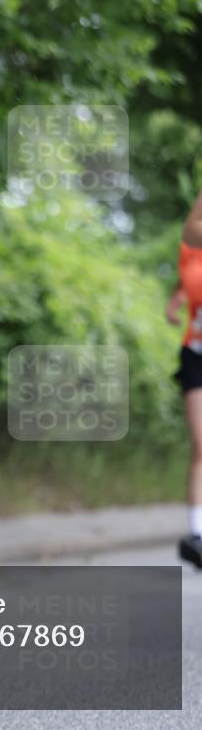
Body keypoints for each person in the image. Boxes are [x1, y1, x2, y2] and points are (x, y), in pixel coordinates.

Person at [166, 191, 202, 569]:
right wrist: (178, 298)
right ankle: (197, 535)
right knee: (201, 444)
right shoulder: (193, 250)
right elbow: (192, 283)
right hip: (196, 355)